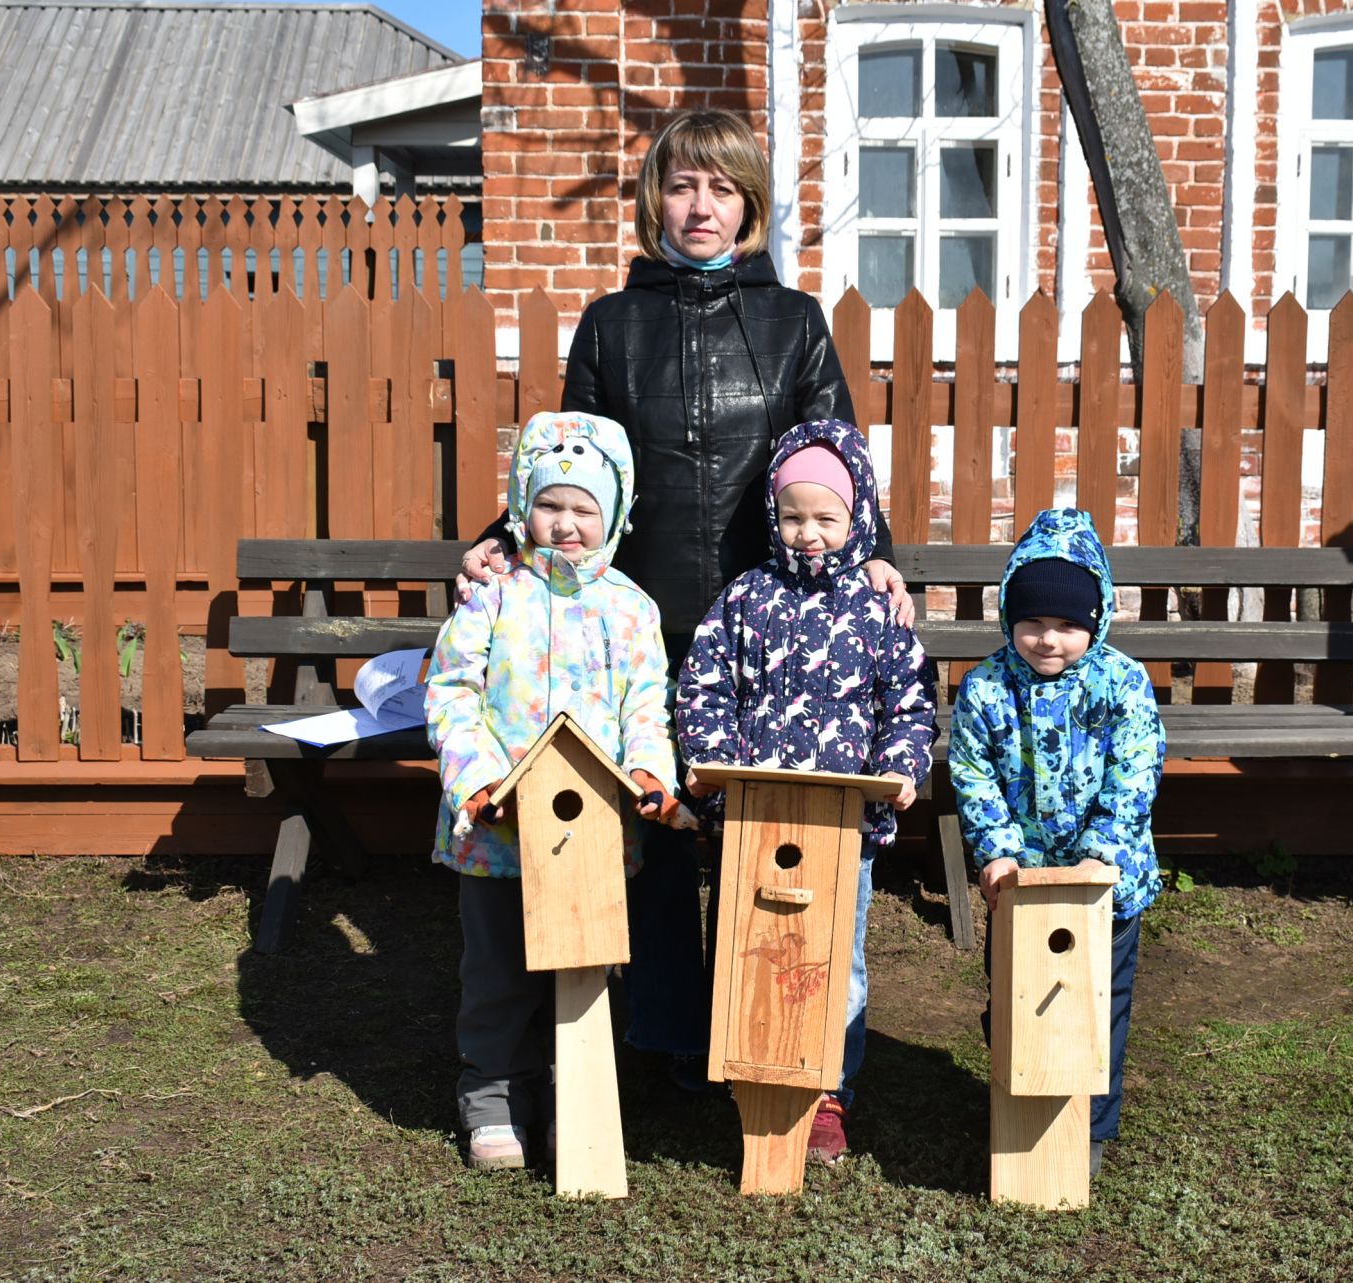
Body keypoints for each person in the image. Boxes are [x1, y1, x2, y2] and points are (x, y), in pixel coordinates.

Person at [461, 109, 916, 1083]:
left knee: (767, 840)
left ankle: (772, 1045)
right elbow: (570, 464)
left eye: (720, 187)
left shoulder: (793, 322)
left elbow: (832, 457)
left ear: (749, 202)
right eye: (681, 185)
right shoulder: (613, 324)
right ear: (654, 200)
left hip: (770, 636)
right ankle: (661, 1043)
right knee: (656, 830)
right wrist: (502, 541)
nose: (699, 206)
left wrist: (872, 552)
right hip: (642, 621)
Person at [426, 411, 686, 1171]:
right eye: (549, 505)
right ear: (521, 507)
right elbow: (451, 692)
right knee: (499, 969)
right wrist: (475, 779)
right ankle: (494, 1097)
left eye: (583, 509)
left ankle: (573, 1099)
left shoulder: (631, 609)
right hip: (497, 830)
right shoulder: (492, 599)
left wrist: (648, 773)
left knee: (581, 967)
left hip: (587, 832)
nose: (565, 523)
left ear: (612, 517)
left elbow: (648, 703)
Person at [674, 419, 939, 1163]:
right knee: (751, 947)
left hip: (843, 827)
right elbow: (704, 688)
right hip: (756, 821)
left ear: (856, 520)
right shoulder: (745, 598)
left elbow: (911, 701)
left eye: (826, 518)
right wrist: (713, 764)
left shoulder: (877, 607)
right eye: (793, 517)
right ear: (773, 517)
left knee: (834, 959)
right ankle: (752, 1072)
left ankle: (828, 1091)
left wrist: (901, 768)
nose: (809, 533)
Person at [947, 508, 1165, 1178]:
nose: (1048, 640)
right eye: (1033, 622)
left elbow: (1135, 770)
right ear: (1008, 616)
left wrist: (1105, 852)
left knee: (1098, 998)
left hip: (1107, 884)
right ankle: (1024, 1092)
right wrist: (996, 848)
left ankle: (1091, 1123)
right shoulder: (987, 686)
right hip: (1024, 885)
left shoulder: (1121, 683)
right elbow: (972, 769)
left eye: (1068, 625)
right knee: (1019, 991)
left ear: (1095, 621)